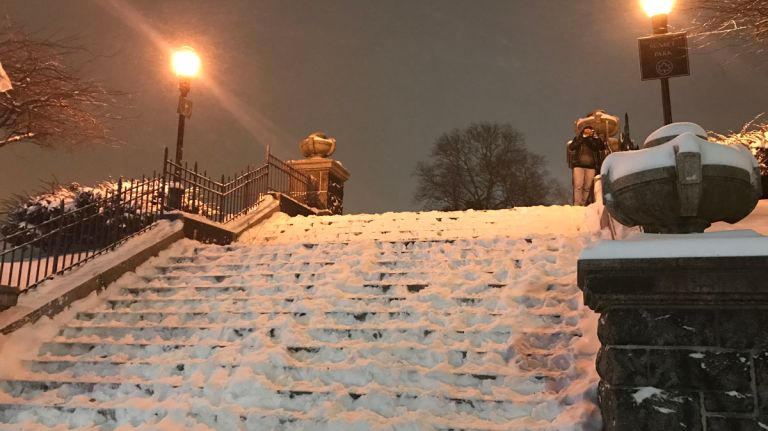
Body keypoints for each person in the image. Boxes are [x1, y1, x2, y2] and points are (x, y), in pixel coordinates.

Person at [568, 125, 606, 206]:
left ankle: (583, 203)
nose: (588, 131)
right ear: (583, 130)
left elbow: (601, 147)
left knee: (587, 187)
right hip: (578, 165)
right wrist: (583, 138)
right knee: (578, 185)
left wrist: (596, 137)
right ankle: (577, 204)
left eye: (590, 130)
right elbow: (572, 147)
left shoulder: (594, 140)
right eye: (587, 130)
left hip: (591, 166)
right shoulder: (578, 138)